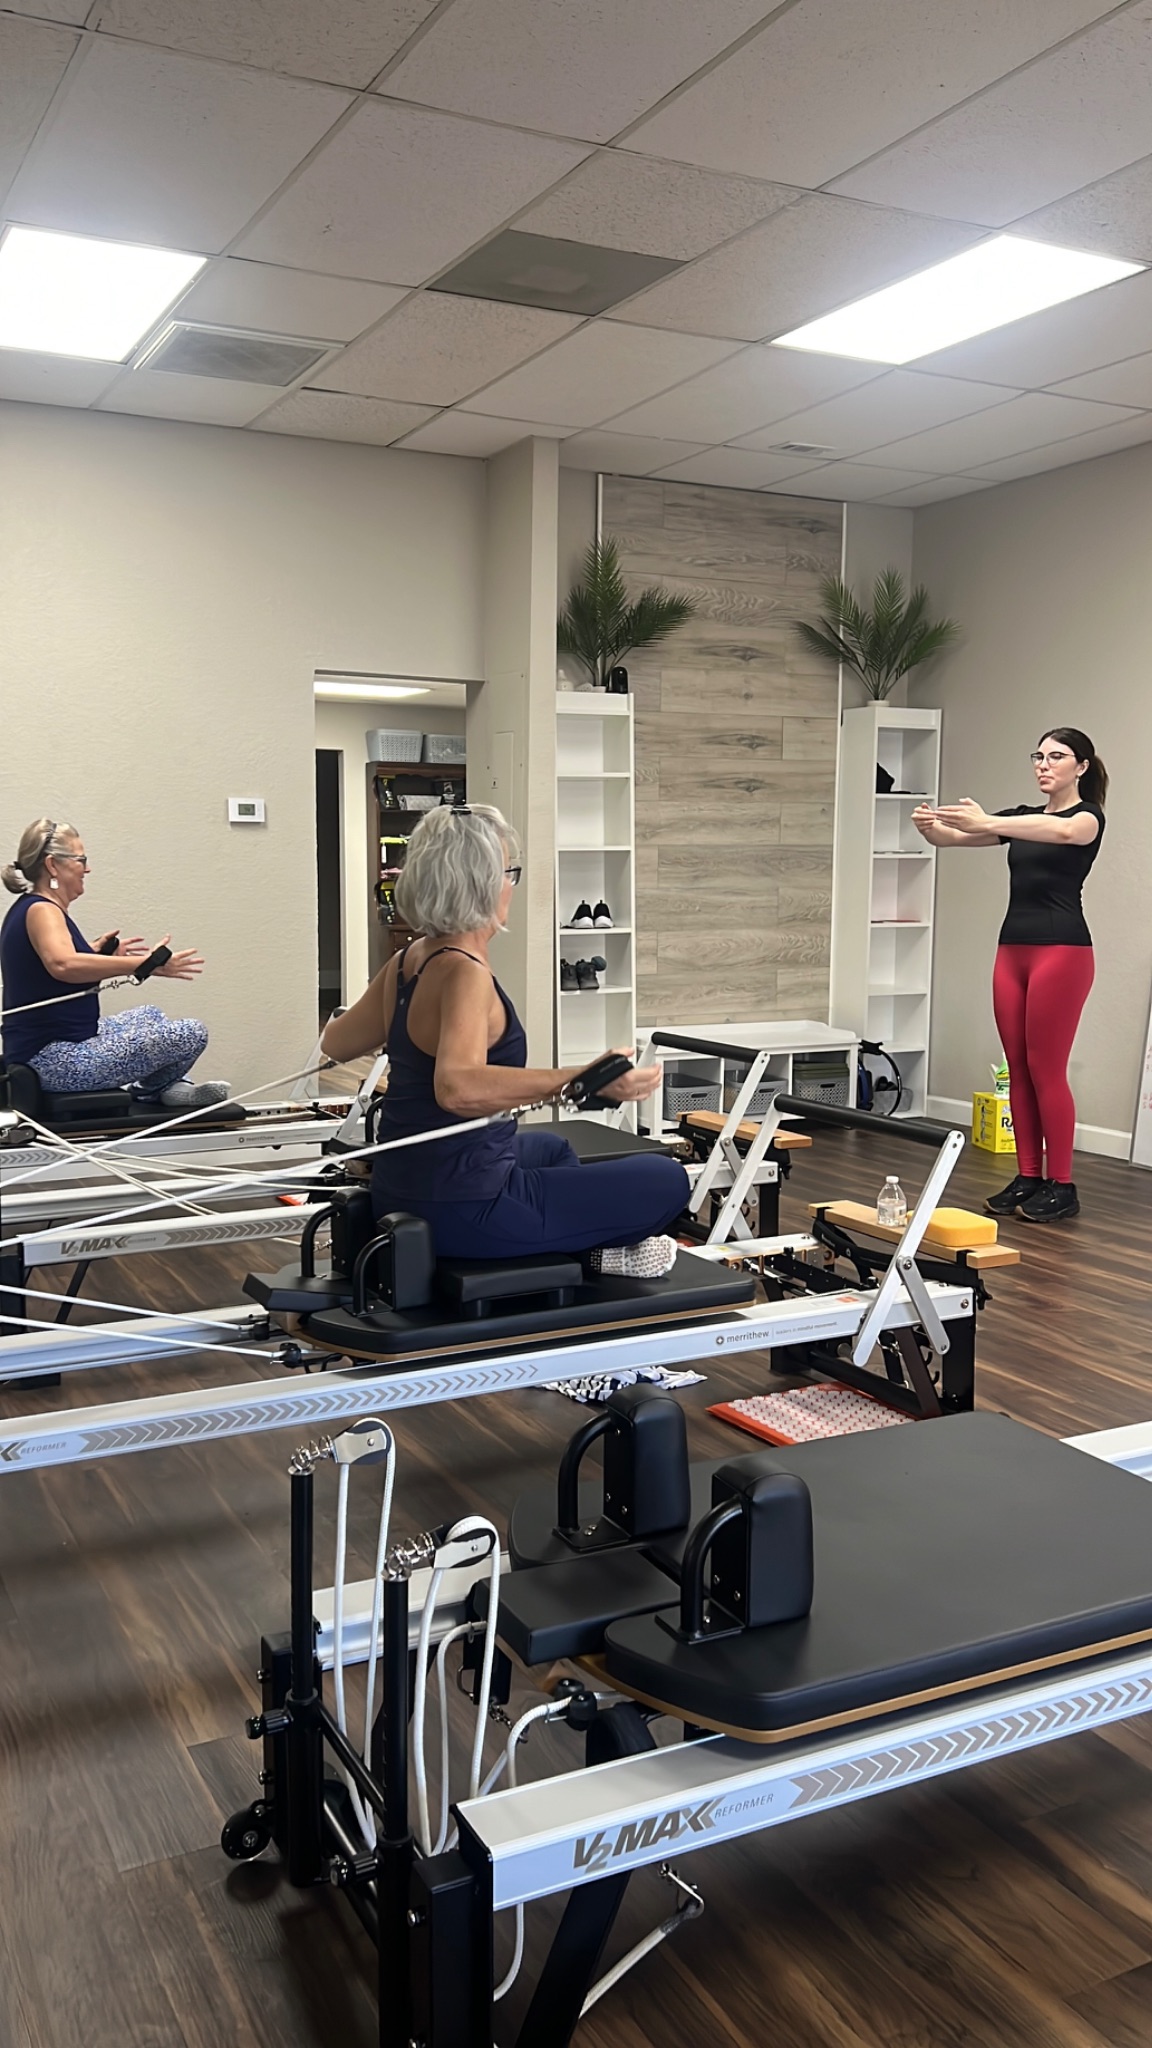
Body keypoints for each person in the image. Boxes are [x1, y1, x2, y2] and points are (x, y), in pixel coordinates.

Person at [321, 803, 689, 1267]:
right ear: (483, 884)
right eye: (508, 871)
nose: (510, 885)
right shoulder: (464, 972)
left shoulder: (410, 960)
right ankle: (585, 1255)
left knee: (553, 1147)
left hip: (399, 1191)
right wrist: (582, 1076)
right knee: (667, 1179)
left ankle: (574, 1249)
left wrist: (404, 1022)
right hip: (466, 1209)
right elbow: (457, 1088)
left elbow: (335, 1042)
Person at [912, 727, 1106, 1223]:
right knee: (1017, 1066)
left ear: (1081, 766)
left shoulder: (1086, 819)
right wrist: (929, 827)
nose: (1044, 764)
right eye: (1038, 756)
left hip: (1062, 952)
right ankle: (1029, 1176)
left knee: (1047, 1068)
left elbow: (1059, 832)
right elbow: (953, 839)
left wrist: (988, 820)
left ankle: (1063, 1184)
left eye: (1056, 756)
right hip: (1012, 952)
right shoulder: (1020, 819)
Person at [0, 817, 229, 1109]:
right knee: (191, 1032)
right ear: (52, 865)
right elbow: (63, 965)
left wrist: (98, 953)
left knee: (150, 1014)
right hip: (55, 1061)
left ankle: (166, 1087)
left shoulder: (34, 907)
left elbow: (52, 968)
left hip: (60, 1045)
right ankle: (154, 1089)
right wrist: (145, 964)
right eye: (81, 859)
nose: (88, 868)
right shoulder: (43, 910)